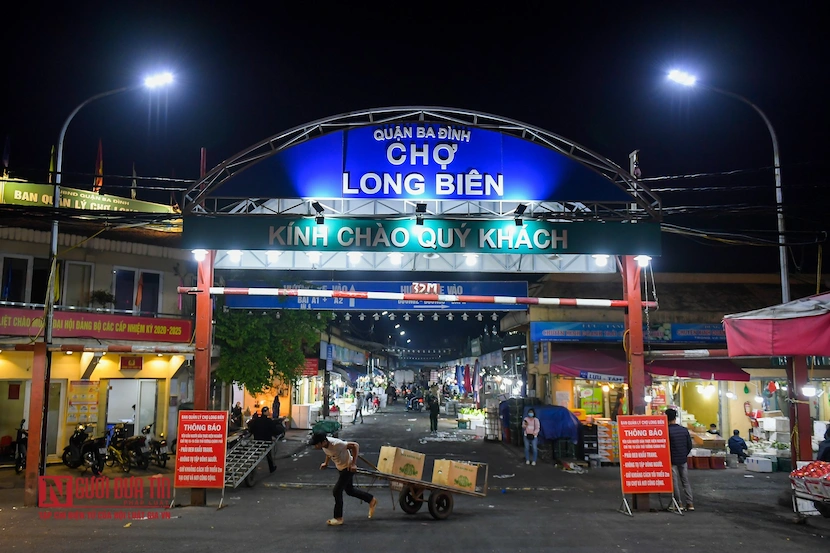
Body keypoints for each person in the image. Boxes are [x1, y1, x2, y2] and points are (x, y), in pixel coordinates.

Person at [309, 432, 377, 526]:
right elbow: (329, 453)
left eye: (316, 444)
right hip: (341, 467)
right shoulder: (325, 446)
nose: (315, 446)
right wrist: (326, 463)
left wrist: (353, 464)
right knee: (350, 491)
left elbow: (355, 445)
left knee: (337, 491)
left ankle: (338, 518)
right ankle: (371, 499)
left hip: (348, 468)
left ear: (323, 442)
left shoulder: (337, 444)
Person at [666, 408, 694, 511]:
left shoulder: (667, 431)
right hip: (683, 459)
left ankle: (679, 504)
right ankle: (690, 503)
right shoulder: (684, 430)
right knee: (685, 481)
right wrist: (684, 454)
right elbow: (689, 445)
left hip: (672, 460)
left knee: (674, 482)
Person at [247, 406, 279, 472]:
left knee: (257, 454)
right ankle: (271, 468)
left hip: (257, 440)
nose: (269, 412)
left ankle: (253, 468)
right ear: (265, 412)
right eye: (268, 411)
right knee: (268, 455)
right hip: (266, 441)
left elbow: (251, 428)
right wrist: (277, 433)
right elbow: (274, 430)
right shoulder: (269, 421)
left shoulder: (256, 420)